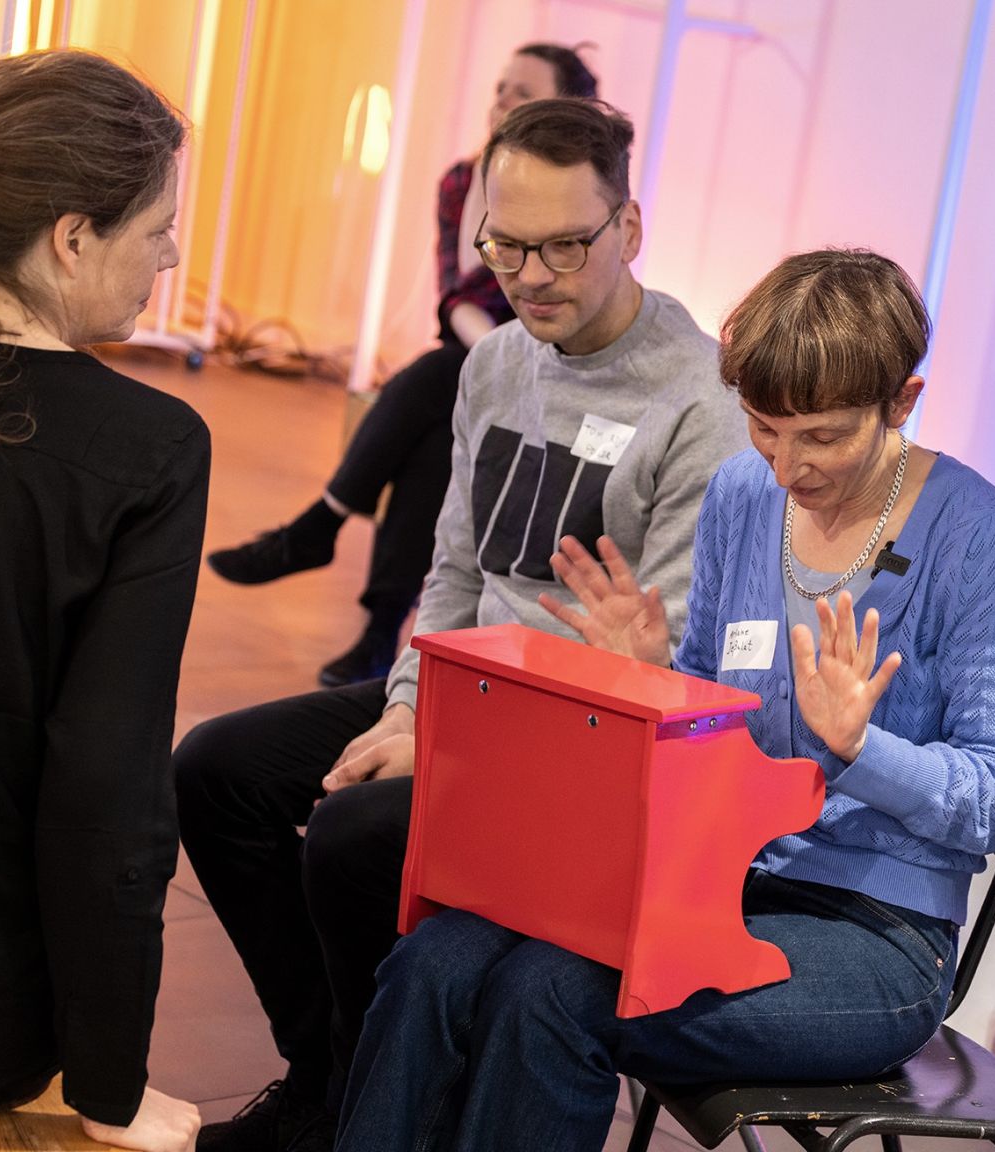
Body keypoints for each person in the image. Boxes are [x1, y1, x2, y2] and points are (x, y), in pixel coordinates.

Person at [334, 247, 995, 1152]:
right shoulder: (744, 494)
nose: (788, 465)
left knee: (553, 994)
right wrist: (654, 674)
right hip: (720, 878)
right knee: (436, 960)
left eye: (823, 437)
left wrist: (865, 747)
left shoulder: (985, 541)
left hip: (880, 939)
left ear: (903, 403)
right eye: (764, 428)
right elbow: (716, 726)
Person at [174, 97, 747, 1152]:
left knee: (350, 838)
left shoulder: (701, 403)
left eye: (564, 246)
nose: (529, 276)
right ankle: (331, 1079)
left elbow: (650, 663)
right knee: (217, 771)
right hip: (464, 691)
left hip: (588, 740)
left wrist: (445, 743)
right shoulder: (493, 364)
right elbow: (453, 574)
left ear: (629, 228)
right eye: (505, 244)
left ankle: (364, 1093)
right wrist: (408, 710)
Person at [0, 50, 206, 1152]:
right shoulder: (146, 448)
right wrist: (108, 1084)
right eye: (159, 226)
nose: (170, 256)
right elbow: (107, 793)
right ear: (72, 235)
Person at [205, 43, 597, 687]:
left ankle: (325, 531)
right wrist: (484, 354)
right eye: (500, 86)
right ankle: (377, 633)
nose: (502, 100)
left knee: (439, 376)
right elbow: (455, 294)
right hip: (479, 357)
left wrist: (488, 352)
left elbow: (542, 310)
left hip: (550, 370)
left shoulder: (577, 202)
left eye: (522, 92)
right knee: (436, 426)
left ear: (563, 110)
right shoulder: (458, 181)